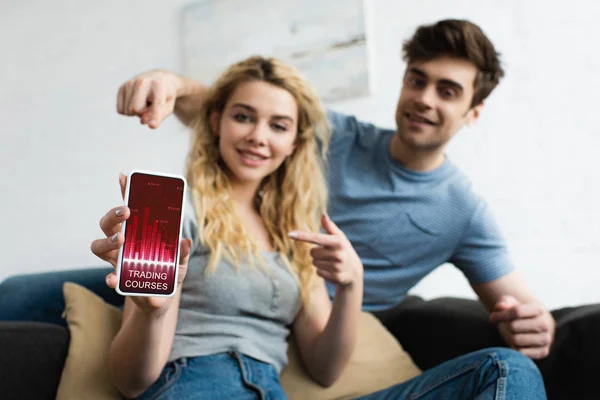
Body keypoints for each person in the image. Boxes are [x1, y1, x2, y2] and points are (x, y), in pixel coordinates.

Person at [0, 18, 560, 397]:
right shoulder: (319, 142)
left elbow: (521, 309)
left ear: (473, 111)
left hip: (277, 355)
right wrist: (169, 82)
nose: (425, 99)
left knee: (505, 368)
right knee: (17, 295)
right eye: (418, 80)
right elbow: (234, 98)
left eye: (448, 90)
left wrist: (355, 282)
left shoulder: (308, 232)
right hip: (199, 359)